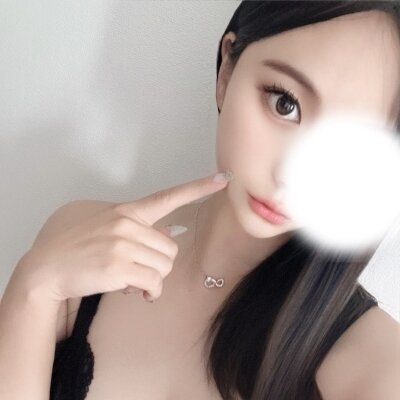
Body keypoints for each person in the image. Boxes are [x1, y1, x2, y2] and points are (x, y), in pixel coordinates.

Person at [1, 1, 399, 399]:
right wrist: (33, 288)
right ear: (227, 70)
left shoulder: (373, 361)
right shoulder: (77, 238)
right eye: (285, 104)